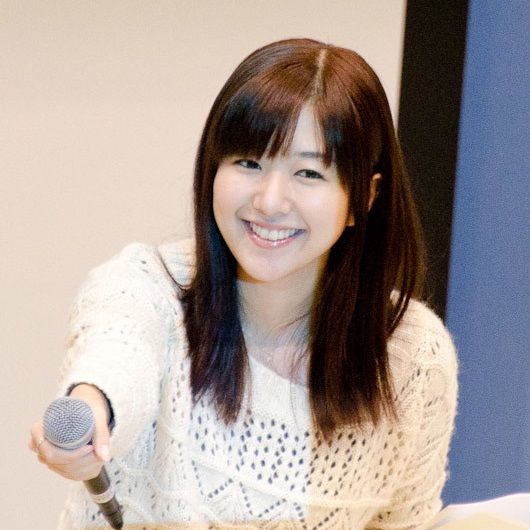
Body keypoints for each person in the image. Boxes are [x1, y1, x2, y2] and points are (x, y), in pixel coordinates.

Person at [29, 38, 458, 529]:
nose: (270, 202)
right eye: (249, 163)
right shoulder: (147, 286)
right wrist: (92, 409)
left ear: (364, 197)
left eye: (309, 172)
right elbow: (117, 354)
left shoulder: (413, 357)